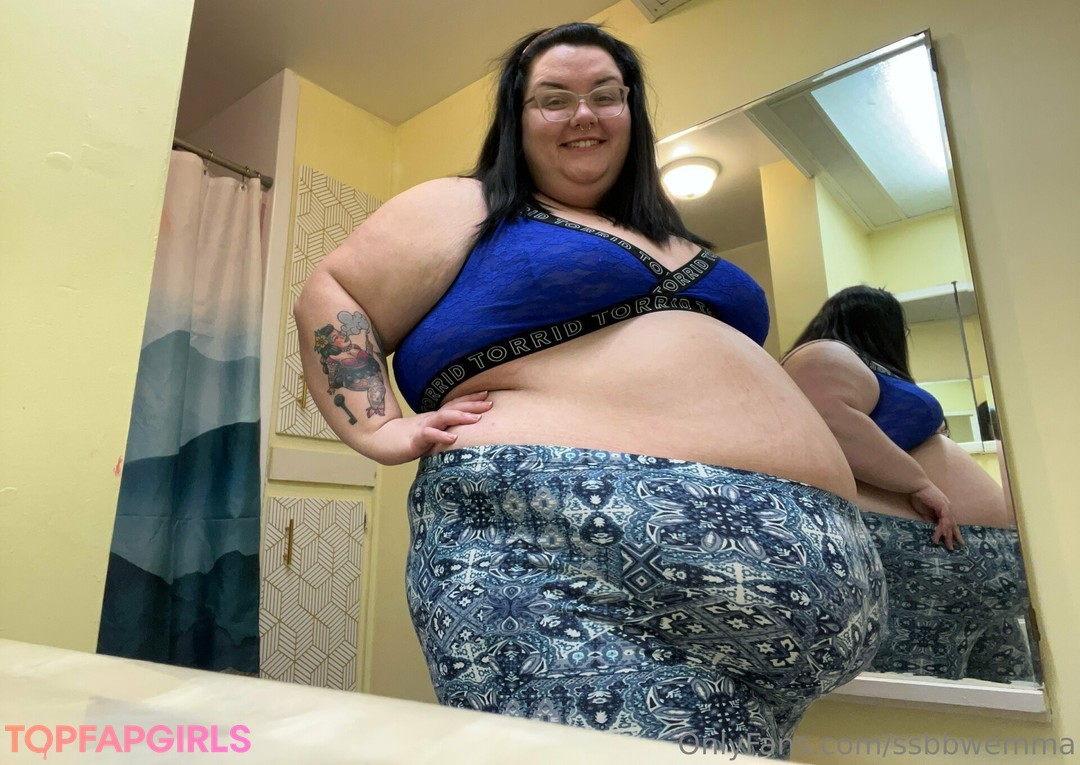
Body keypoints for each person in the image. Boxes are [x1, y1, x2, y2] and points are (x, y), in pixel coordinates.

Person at [294, 23, 884, 753]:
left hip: (801, 601)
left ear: (631, 111)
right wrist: (379, 424)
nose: (584, 113)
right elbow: (336, 292)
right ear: (517, 118)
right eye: (554, 99)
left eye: (606, 95)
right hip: (562, 563)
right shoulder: (467, 205)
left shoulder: (681, 239)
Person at [782, 286, 1035, 682]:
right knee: (925, 710)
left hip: (957, 573)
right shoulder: (826, 354)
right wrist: (919, 484)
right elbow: (829, 420)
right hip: (922, 567)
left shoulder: (863, 371)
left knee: (999, 702)